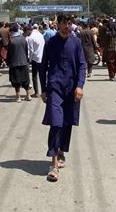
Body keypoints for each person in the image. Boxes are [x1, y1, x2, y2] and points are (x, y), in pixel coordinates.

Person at [39, 14, 86, 182]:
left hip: (72, 90)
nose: (67, 26)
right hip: (55, 89)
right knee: (56, 123)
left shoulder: (76, 43)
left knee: (67, 123)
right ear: (57, 25)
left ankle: (61, 151)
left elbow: (82, 66)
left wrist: (80, 85)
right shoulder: (50, 43)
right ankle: (53, 164)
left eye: (69, 23)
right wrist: (43, 89)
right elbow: (42, 67)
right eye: (64, 23)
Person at [7, 23, 32, 102]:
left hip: (14, 63)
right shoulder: (23, 39)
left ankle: (18, 97)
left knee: (16, 81)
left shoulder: (11, 41)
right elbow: (26, 50)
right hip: (24, 62)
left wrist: (8, 62)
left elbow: (9, 53)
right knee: (25, 80)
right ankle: (28, 95)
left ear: (11, 31)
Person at [27, 24, 45, 97]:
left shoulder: (31, 37)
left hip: (35, 58)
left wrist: (29, 59)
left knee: (34, 76)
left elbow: (31, 50)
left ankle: (36, 92)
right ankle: (43, 91)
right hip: (42, 57)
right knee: (42, 75)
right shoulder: (41, 35)